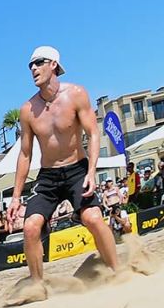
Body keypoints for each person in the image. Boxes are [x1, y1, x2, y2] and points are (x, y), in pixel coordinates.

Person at [8, 47, 119, 286]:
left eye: (38, 63)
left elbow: (94, 133)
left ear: (54, 65)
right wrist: (16, 197)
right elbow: (25, 154)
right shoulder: (28, 110)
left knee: (93, 218)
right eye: (30, 65)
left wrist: (91, 172)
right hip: (48, 176)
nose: (33, 69)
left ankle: (118, 272)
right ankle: (37, 286)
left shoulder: (76, 94)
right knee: (29, 228)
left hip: (78, 169)